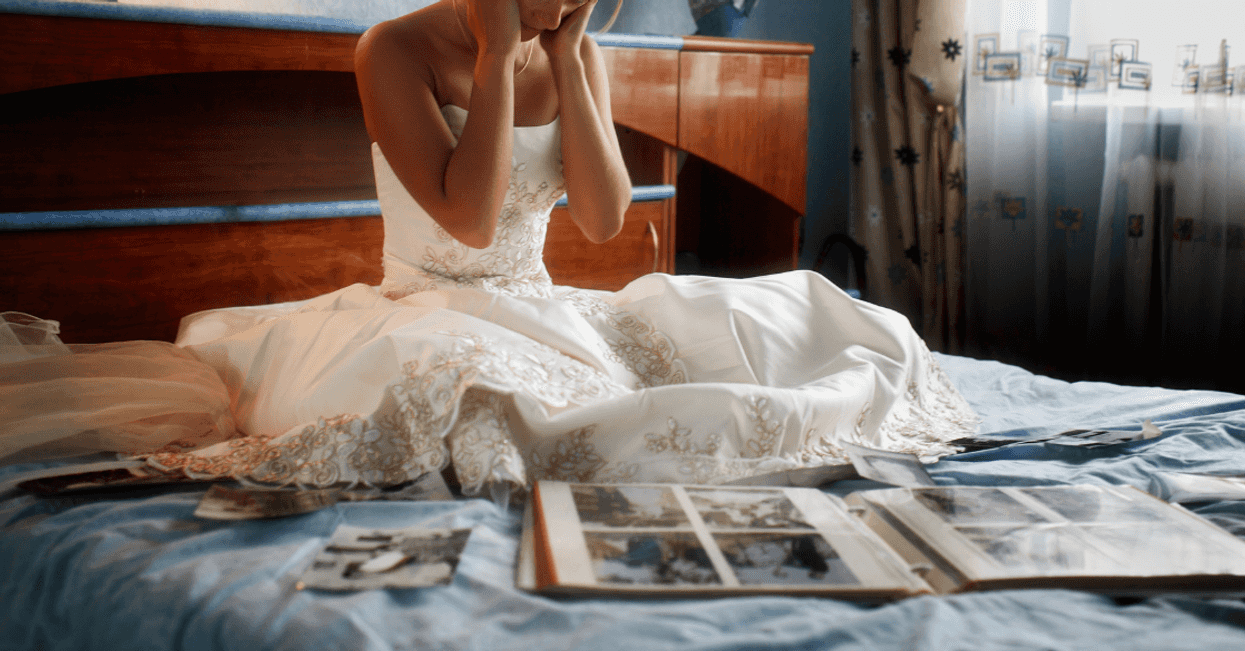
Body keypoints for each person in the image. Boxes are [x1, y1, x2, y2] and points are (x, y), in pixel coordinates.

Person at [150, 0, 977, 496]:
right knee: (470, 390)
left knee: (783, 318)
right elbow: (466, 221)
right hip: (426, 303)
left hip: (539, 301)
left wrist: (569, 59)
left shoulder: (572, 48)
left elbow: (604, 217)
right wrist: (493, 59)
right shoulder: (391, 49)